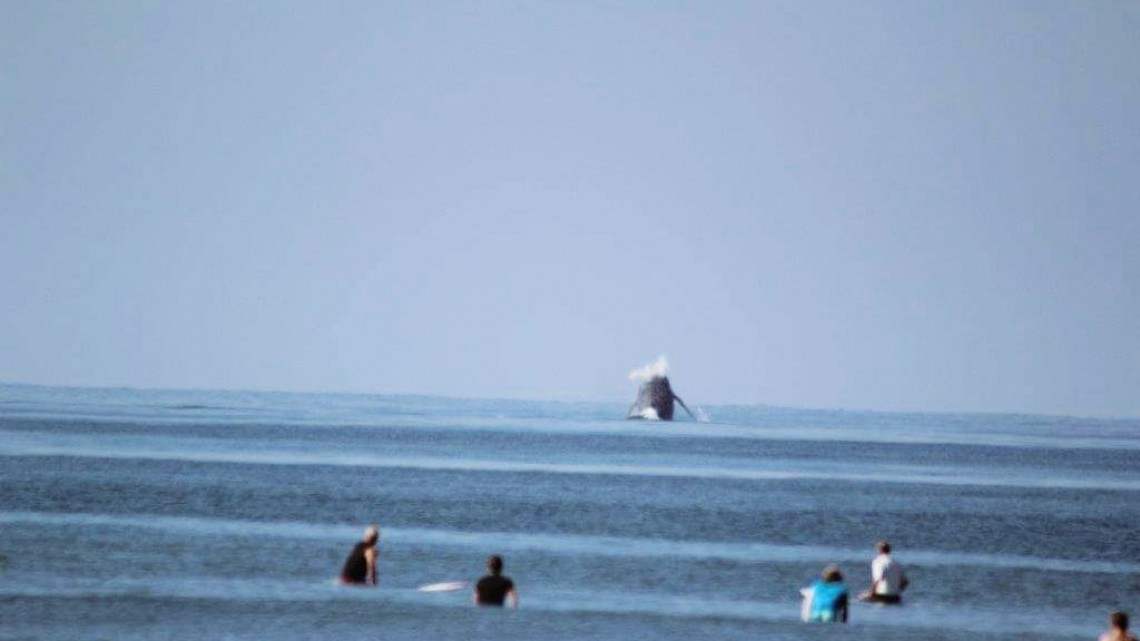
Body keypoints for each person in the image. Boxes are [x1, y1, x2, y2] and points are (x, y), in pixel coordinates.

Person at [859, 540, 908, 604]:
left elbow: (877, 580)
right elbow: (906, 582)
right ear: (890, 551)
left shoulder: (878, 562)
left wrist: (871, 593)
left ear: (879, 550)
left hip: (882, 596)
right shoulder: (896, 563)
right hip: (896, 597)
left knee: (861, 597)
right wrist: (897, 591)